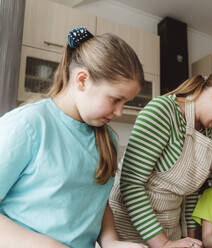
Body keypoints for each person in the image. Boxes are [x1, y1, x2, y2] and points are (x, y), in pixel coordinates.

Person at [0, 27, 147, 248]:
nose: (119, 112)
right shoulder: (28, 125)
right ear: (81, 80)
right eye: (116, 99)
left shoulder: (107, 139)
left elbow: (97, 201)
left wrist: (111, 241)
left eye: (125, 103)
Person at [109, 64, 212, 248]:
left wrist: (191, 240)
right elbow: (130, 184)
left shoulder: (206, 130)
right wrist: (163, 243)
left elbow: (190, 192)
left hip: (170, 232)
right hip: (131, 232)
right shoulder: (162, 112)